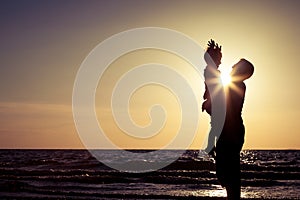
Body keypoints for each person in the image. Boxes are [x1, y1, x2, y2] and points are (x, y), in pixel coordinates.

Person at [215, 59, 254, 199]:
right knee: (228, 175)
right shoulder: (235, 85)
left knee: (227, 175)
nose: (232, 66)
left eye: (236, 65)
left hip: (230, 132)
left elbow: (221, 109)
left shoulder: (235, 86)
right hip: (231, 131)